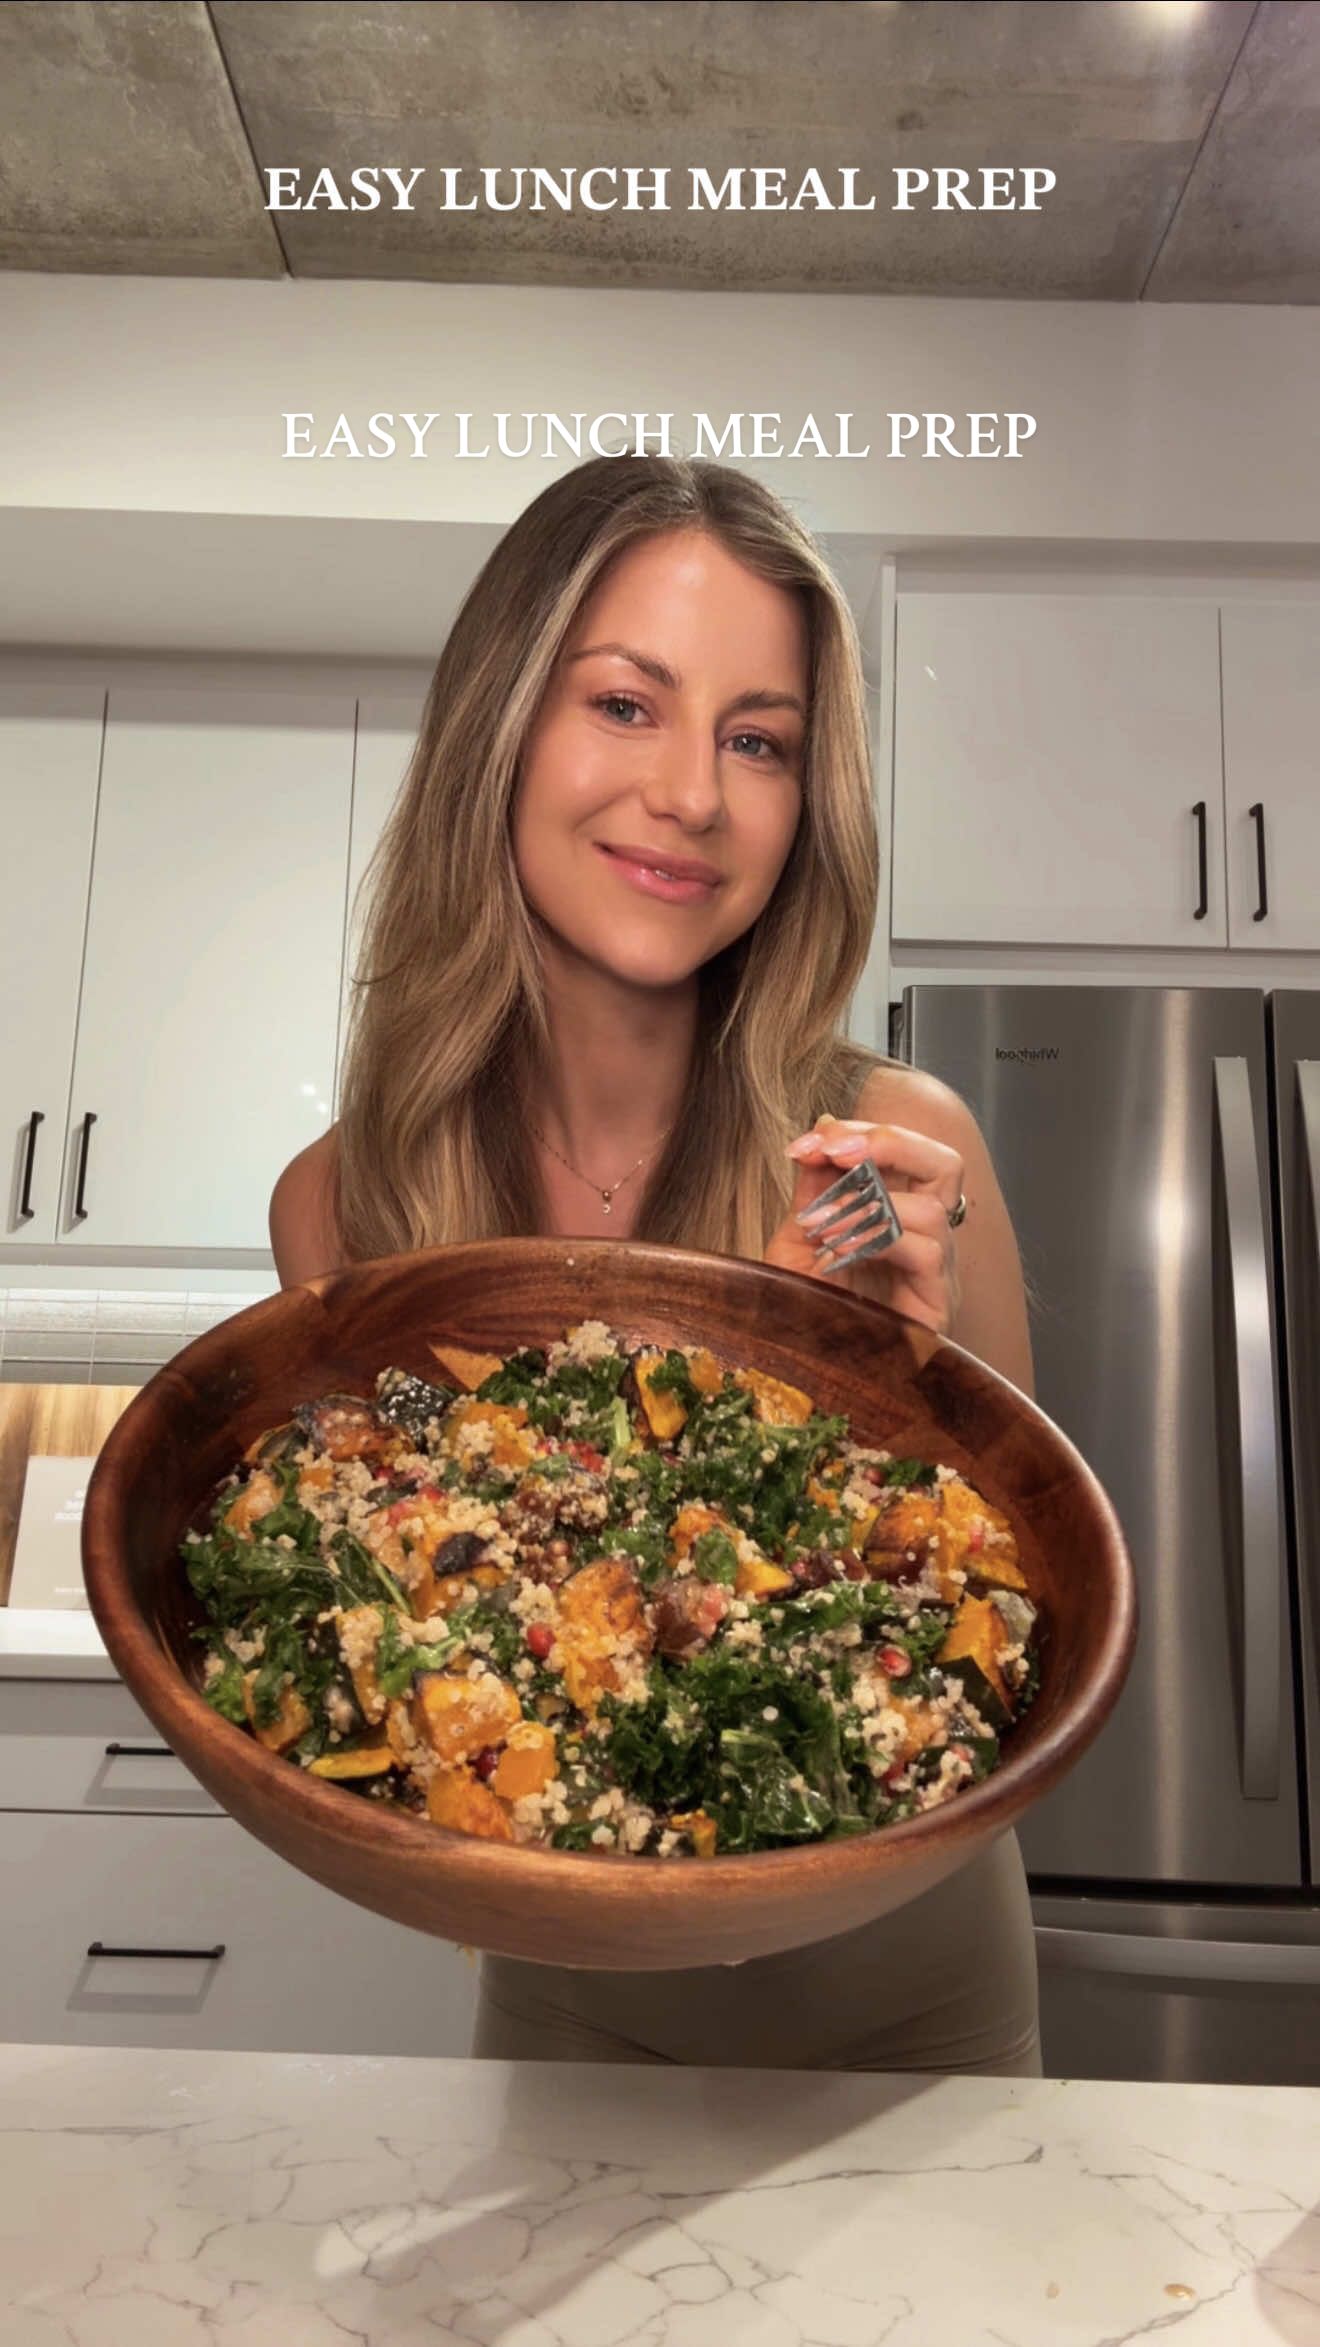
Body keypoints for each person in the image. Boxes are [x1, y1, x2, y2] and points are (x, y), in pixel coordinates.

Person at [270, 453, 1040, 2075]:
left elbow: (1023, 1657)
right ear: (500, 728)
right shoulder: (344, 1209)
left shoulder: (896, 1158)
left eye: (758, 740)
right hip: (567, 2008)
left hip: (917, 2007)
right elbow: (425, 1681)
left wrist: (877, 1388)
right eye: (626, 704)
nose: (694, 794)